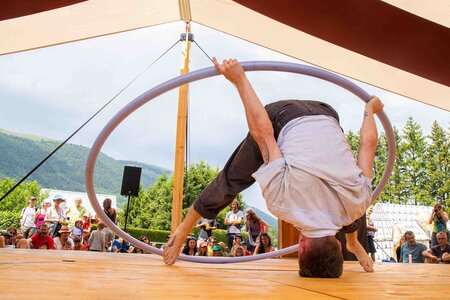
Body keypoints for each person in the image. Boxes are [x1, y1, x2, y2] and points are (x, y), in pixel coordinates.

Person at [163, 58, 380, 278]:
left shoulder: (358, 203)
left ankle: (354, 243)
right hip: (282, 116)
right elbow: (263, 134)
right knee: (233, 180)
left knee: (352, 200)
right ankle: (182, 231)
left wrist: (369, 109)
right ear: (301, 248)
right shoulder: (282, 204)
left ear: (338, 246)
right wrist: (240, 80)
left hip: (326, 114)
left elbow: (368, 144)